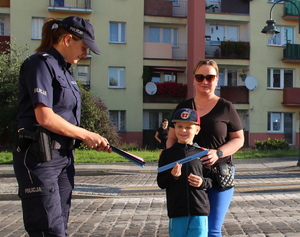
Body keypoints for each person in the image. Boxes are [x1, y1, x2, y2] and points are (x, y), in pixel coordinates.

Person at [13, 16, 112, 237]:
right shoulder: (40, 64)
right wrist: (86, 134)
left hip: (63, 158)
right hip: (40, 157)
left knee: (60, 228)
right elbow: (44, 117)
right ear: (67, 39)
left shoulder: (64, 71)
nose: (85, 53)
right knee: (49, 230)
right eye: (83, 47)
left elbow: (65, 118)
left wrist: (86, 138)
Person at [166, 59, 244, 237]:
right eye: (200, 77)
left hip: (218, 173)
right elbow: (171, 138)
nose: (205, 81)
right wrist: (172, 160)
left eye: (210, 77)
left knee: (211, 229)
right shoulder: (183, 107)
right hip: (188, 175)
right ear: (193, 80)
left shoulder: (226, 107)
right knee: (190, 228)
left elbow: (239, 139)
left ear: (217, 79)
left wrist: (218, 153)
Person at [157, 108, 212, 237]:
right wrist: (172, 176)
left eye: (188, 127)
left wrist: (202, 182)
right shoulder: (167, 154)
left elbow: (212, 180)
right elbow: (161, 182)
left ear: (197, 130)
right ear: (174, 128)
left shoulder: (203, 153)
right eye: (179, 126)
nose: (183, 130)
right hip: (177, 211)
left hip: (199, 210)